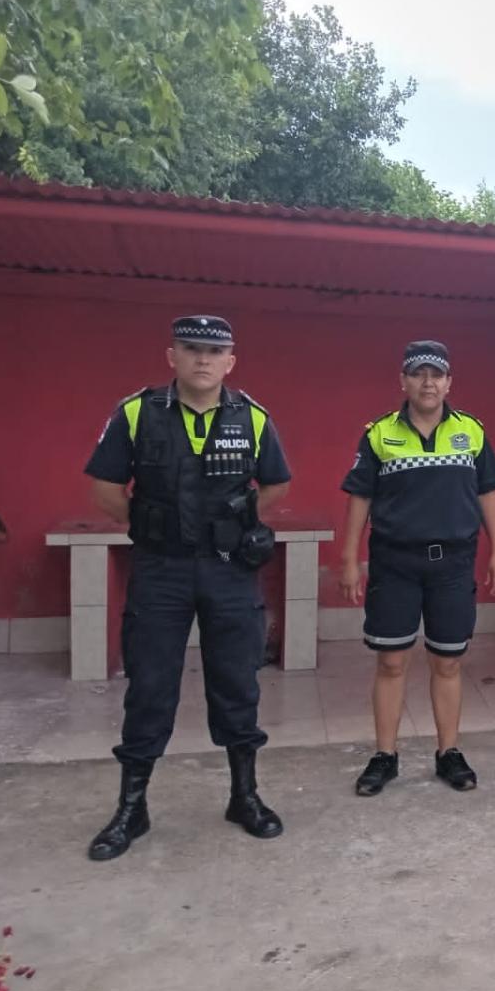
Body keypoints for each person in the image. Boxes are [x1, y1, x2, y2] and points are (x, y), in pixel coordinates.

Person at [84, 314, 291, 861]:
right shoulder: (137, 412)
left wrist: (236, 520)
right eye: (192, 348)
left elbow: (276, 483)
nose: (203, 359)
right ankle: (132, 808)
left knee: (237, 683)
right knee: (150, 686)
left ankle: (244, 797)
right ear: (171, 356)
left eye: (215, 351)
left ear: (231, 362)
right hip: (162, 569)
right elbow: (105, 486)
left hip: (229, 569)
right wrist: (152, 526)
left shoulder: (252, 417)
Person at [338, 340, 495, 796]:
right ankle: (384, 756)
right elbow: (360, 497)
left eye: (436, 375)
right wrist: (349, 558)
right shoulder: (379, 434)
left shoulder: (471, 431)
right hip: (395, 563)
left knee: (447, 662)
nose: (428, 383)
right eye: (418, 374)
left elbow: (487, 492)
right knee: (391, 661)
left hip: (453, 564)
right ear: (404, 381)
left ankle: (448, 752)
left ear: (449, 382)